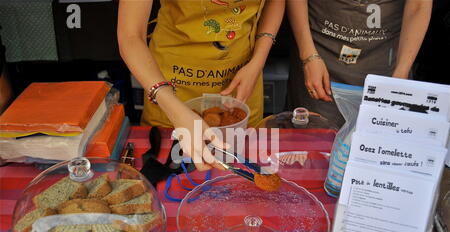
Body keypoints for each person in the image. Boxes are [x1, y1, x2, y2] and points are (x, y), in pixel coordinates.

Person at [118, 0, 285, 171]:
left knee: (241, 173)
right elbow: (131, 36)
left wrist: (258, 62)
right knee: (166, 174)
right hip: (170, 85)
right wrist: (173, 108)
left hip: (240, 80)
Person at [286, 0, 433, 128]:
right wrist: (309, 55)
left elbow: (419, 5)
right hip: (320, 54)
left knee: (378, 142)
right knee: (313, 143)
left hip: (383, 58)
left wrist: (402, 71)